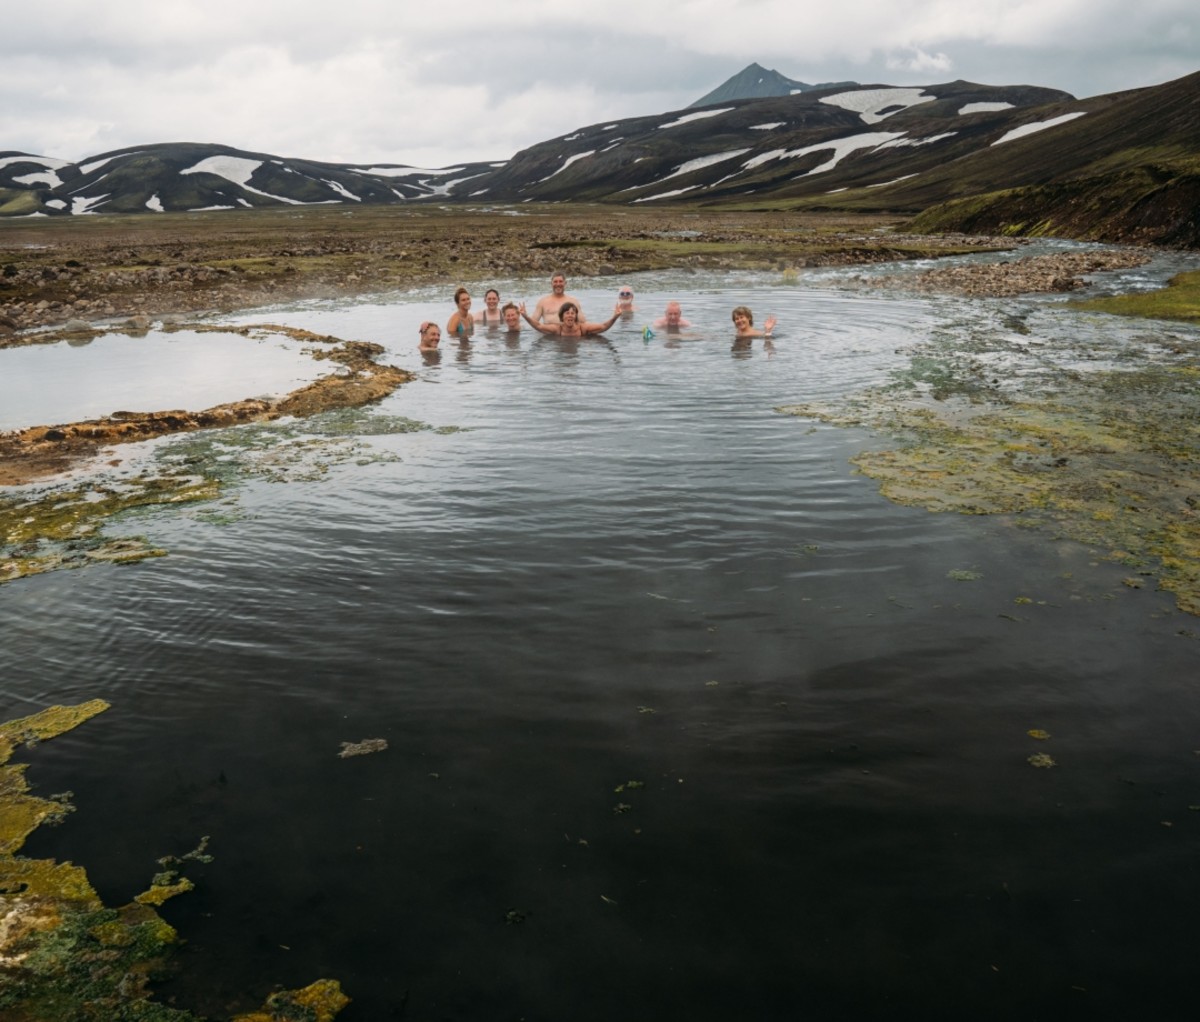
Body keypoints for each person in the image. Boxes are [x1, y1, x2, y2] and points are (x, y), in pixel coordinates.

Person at [519, 300, 620, 337]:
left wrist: (614, 317)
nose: (570, 315)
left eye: (572, 313)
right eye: (567, 313)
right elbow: (539, 326)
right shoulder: (557, 329)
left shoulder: (583, 328)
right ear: (562, 316)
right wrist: (526, 316)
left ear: (576, 316)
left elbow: (603, 327)